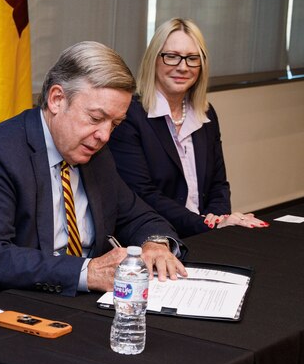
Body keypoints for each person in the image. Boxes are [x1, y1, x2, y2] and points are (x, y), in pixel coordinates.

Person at [0, 41, 186, 310]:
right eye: (96, 118)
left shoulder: (95, 155)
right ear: (56, 99)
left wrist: (156, 244)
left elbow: (139, 215)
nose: (104, 135)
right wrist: (88, 271)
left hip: (59, 305)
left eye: (115, 123)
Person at [108, 18, 265, 237]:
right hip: (156, 239)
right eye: (171, 56)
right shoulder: (130, 116)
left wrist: (217, 219)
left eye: (192, 58)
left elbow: (218, 185)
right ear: (154, 59)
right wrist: (207, 225)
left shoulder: (206, 114)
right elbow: (143, 194)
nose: (182, 67)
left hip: (205, 234)